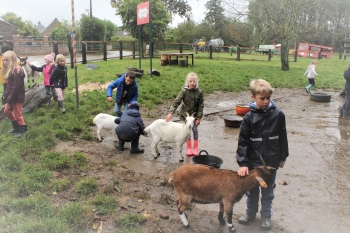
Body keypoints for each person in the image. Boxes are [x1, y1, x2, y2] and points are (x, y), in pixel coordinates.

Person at [236, 79, 289, 230]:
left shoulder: (278, 115)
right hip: (253, 163)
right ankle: (250, 213)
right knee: (251, 190)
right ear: (253, 97)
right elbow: (243, 142)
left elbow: (283, 136)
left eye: (268, 98)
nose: (266, 102)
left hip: (270, 163)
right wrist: (243, 163)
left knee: (268, 192)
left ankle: (266, 217)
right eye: (262, 99)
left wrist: (282, 156)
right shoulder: (248, 118)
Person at [165, 72, 204, 156]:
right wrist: (171, 112)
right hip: (185, 116)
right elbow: (176, 102)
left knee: (195, 131)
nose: (192, 83)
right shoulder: (184, 91)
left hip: (194, 116)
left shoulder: (200, 92)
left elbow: (201, 106)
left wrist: (198, 118)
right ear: (187, 82)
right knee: (187, 131)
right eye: (190, 81)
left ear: (197, 82)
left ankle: (196, 148)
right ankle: (189, 148)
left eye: (194, 81)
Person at [2, 50, 28, 138]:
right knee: (7, 111)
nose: (5, 62)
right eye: (4, 60)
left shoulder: (16, 70)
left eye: (7, 60)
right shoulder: (10, 70)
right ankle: (16, 127)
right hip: (11, 96)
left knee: (18, 114)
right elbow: (9, 85)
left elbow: (16, 87)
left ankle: (23, 129)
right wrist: (6, 94)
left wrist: (9, 98)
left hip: (17, 96)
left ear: (13, 60)